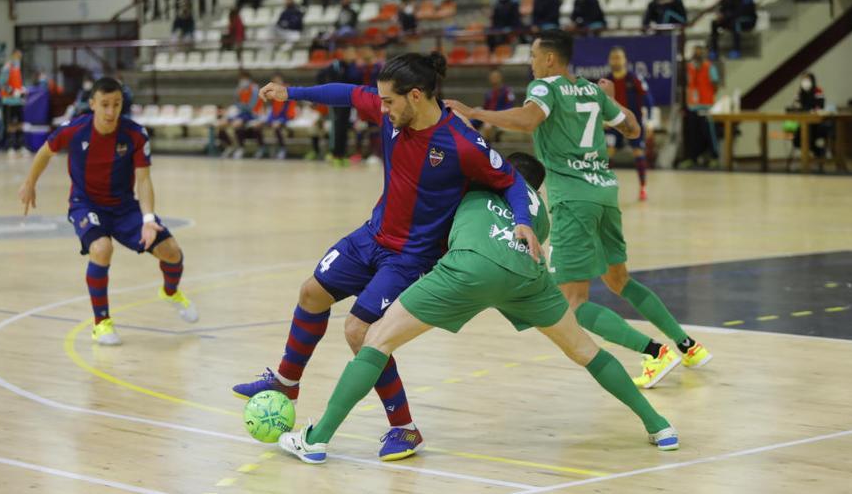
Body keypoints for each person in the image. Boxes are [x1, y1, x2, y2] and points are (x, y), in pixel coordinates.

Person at [232, 52, 540, 461]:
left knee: (360, 332)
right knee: (311, 294)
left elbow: (512, 182)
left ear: (415, 96)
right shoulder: (391, 113)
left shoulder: (462, 143)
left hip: (410, 257)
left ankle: (405, 428)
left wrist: (523, 220)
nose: (381, 107)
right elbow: (346, 94)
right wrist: (292, 92)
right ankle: (287, 382)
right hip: (372, 236)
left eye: (389, 101)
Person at [277, 152, 679, 463]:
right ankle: (659, 426)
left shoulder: (477, 183)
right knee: (585, 351)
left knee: (374, 339)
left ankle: (316, 440)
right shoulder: (539, 213)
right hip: (529, 278)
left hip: (468, 267)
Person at [446, 30, 712, 388]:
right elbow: (633, 128)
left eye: (534, 56)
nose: (531, 62)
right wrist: (612, 101)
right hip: (605, 193)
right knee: (620, 280)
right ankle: (687, 345)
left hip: (573, 199)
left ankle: (654, 352)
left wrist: (475, 112)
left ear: (550, 59)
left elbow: (527, 121)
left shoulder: (544, 88)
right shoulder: (590, 90)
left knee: (571, 303)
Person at [17, 77, 199, 346]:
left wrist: (148, 219)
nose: (111, 112)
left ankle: (170, 292)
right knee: (101, 249)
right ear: (92, 105)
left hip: (125, 207)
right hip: (86, 204)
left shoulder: (135, 134)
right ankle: (101, 323)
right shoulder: (75, 130)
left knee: (171, 252)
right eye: (104, 105)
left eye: (116, 104)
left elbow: (144, 179)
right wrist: (30, 182)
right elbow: (45, 152)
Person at [604, 46, 654, 201]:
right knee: (607, 154)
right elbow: (599, 104)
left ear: (625, 60)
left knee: (638, 152)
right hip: (613, 123)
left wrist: (650, 121)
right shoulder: (606, 81)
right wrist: (602, 120)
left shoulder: (634, 79)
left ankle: (643, 188)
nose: (616, 61)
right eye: (613, 58)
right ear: (609, 61)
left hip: (633, 124)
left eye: (619, 57)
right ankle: (606, 188)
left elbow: (648, 100)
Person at [317, 47, 361, 166]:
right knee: (336, 128)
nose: (352, 55)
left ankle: (342, 154)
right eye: (350, 53)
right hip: (335, 102)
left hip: (349, 102)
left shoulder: (354, 67)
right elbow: (320, 76)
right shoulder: (335, 65)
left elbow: (357, 81)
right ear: (344, 53)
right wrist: (326, 92)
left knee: (344, 128)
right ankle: (334, 153)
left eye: (353, 53)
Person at [683, 44, 720, 168]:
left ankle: (714, 157)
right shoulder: (689, 67)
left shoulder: (709, 67)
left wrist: (708, 96)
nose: (697, 55)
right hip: (693, 106)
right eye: (695, 52)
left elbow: (715, 85)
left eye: (700, 53)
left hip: (706, 106)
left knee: (709, 133)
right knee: (692, 134)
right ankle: (692, 158)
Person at [218, 71, 264, 158]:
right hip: (241, 113)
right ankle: (229, 146)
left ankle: (241, 148)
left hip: (251, 114)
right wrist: (238, 94)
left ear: (249, 79)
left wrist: (241, 106)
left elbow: (251, 106)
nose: (242, 81)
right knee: (221, 123)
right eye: (241, 80)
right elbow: (236, 103)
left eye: (244, 79)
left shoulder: (254, 89)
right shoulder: (240, 89)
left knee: (237, 123)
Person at [790, 72, 827, 159]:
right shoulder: (800, 92)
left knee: (808, 135)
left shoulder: (818, 91)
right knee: (797, 140)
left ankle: (817, 152)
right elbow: (795, 105)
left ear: (812, 80)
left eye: (807, 79)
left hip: (815, 123)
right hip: (802, 122)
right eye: (803, 80)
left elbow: (821, 105)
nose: (805, 82)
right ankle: (818, 150)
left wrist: (812, 110)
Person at [0, 49, 27, 157]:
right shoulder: (7, 68)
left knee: (20, 123)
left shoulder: (17, 68)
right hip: (9, 101)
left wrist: (21, 89)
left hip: (18, 101)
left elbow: (17, 84)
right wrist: (12, 91)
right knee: (10, 124)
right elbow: (1, 84)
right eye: (18, 56)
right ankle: (10, 147)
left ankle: (21, 146)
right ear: (13, 55)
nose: (19, 59)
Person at [474, 69, 515, 142]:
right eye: (492, 77)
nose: (494, 79)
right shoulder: (489, 93)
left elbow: (509, 107)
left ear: (500, 77)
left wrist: (495, 115)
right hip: (488, 115)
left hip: (499, 115)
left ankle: (488, 145)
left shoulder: (507, 91)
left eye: (496, 77)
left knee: (487, 127)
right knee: (474, 113)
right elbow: (485, 107)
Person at [265, 73, 298, 159]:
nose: (276, 83)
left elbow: (288, 109)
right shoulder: (273, 94)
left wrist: (280, 120)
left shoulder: (287, 91)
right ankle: (263, 148)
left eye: (277, 81)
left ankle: (283, 148)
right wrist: (270, 119)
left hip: (286, 117)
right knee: (261, 125)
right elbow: (274, 110)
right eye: (274, 81)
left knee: (277, 127)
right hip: (277, 117)